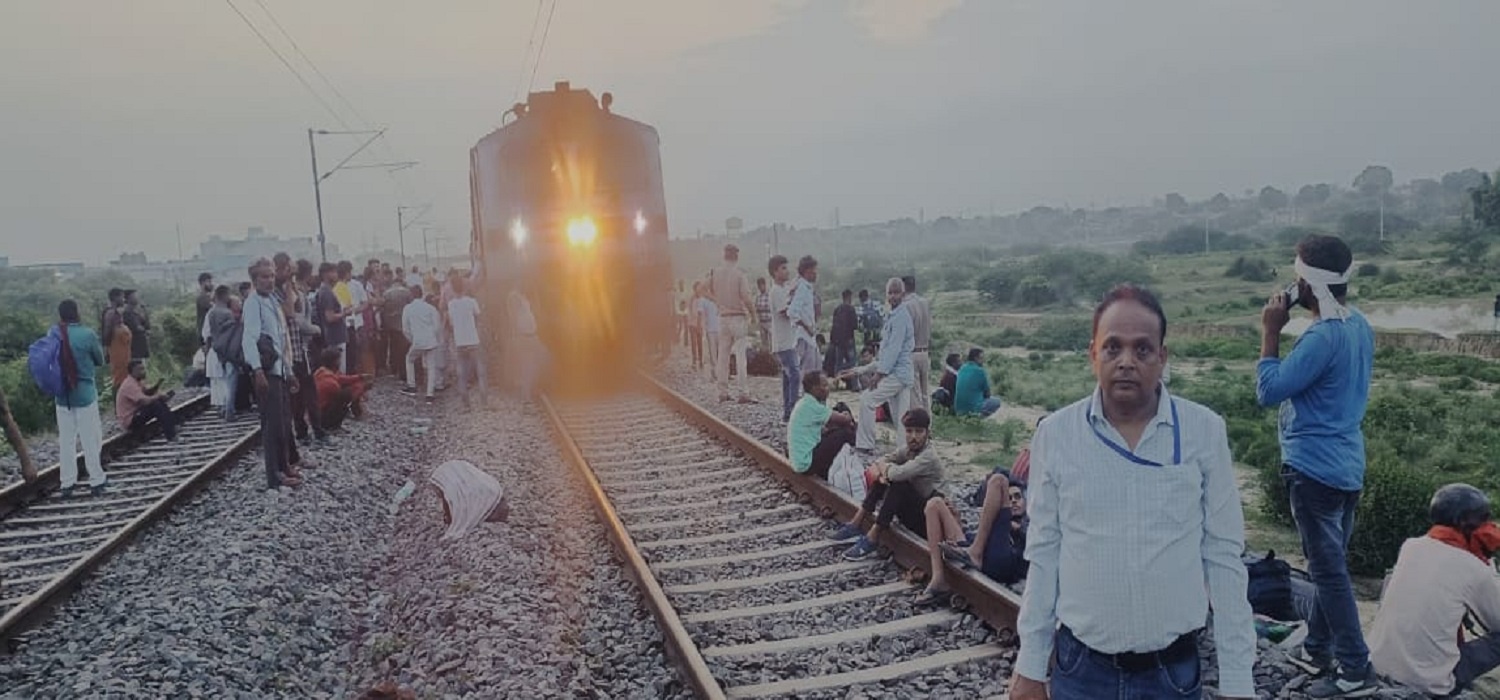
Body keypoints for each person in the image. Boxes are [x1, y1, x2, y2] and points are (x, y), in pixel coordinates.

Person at [1009, 284, 1255, 700]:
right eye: (1113, 348)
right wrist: (1031, 665)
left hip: (1172, 675)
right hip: (1081, 671)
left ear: (1162, 357)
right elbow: (1045, 552)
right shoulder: (1056, 435)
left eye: (1142, 350)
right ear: (1093, 355)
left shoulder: (1203, 431)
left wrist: (1238, 682)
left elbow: (1224, 558)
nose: (1126, 361)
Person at [1256, 234, 1378, 697]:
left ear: (1308, 286)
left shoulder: (1321, 337)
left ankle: (1354, 669)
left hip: (1314, 470)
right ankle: (1317, 649)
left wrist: (1271, 331)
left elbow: (1268, 391)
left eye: (1298, 277)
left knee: (1328, 571)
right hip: (1348, 465)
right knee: (1333, 566)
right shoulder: (1358, 325)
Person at [1369, 484, 1500, 697]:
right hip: (1430, 683)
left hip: (1377, 666)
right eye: (1483, 519)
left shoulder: (1410, 546)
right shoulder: (1473, 567)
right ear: (1463, 522)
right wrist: (1486, 562)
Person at [827, 408, 942, 561]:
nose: (913, 437)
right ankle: (857, 523)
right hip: (916, 512)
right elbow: (882, 460)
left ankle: (873, 537)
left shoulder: (928, 457)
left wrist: (885, 471)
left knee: (898, 483)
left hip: (929, 522)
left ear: (927, 433)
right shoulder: (908, 450)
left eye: (919, 431)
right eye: (909, 431)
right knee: (885, 478)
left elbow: (897, 474)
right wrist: (884, 473)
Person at [921, 471, 1029, 605]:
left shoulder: (1030, 521)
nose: (1013, 501)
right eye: (1009, 497)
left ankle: (974, 554)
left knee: (999, 480)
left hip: (1003, 561)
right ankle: (938, 578)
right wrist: (959, 524)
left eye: (1017, 497)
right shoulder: (997, 520)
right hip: (984, 551)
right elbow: (980, 534)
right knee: (934, 504)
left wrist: (1015, 527)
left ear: (1025, 501)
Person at [243, 258, 303, 488]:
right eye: (264, 277)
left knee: (283, 421)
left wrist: (289, 371)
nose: (269, 280)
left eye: (270, 276)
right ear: (255, 279)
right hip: (266, 371)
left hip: (279, 369)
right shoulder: (253, 303)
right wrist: (257, 370)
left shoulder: (273, 302)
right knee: (272, 424)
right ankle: (274, 475)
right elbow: (250, 338)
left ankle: (285, 464)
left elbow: (280, 341)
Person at [840, 278, 914, 454]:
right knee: (900, 417)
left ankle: (865, 445)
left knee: (867, 399)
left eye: (897, 293)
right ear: (886, 294)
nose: (893, 296)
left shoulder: (901, 317)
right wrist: (859, 370)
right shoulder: (893, 315)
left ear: (903, 295)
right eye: (890, 292)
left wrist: (879, 375)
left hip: (897, 373)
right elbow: (885, 353)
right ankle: (904, 450)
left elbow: (893, 351)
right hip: (899, 373)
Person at [52, 300, 108, 496]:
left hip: (61, 397)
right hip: (84, 394)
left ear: (60, 316)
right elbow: (100, 360)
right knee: (90, 438)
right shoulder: (87, 334)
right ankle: (96, 480)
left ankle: (67, 483)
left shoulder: (53, 334)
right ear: (76, 313)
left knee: (66, 441)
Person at [786, 371, 856, 479]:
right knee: (845, 433)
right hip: (806, 464)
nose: (828, 388)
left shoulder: (805, 402)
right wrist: (847, 419)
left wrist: (843, 419)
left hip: (802, 458)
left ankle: (843, 458)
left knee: (840, 407)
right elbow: (844, 419)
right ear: (814, 389)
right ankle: (852, 454)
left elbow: (828, 424)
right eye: (824, 385)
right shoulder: (811, 405)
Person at [710, 243, 756, 403]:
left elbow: (702, 289)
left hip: (722, 318)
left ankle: (722, 392)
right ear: (736, 256)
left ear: (724, 255)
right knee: (740, 355)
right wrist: (753, 315)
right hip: (738, 317)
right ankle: (743, 392)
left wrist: (716, 301)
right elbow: (746, 297)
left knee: (722, 356)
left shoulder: (715, 274)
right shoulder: (739, 274)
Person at [447, 276, 488, 409]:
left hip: (460, 342)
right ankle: (484, 403)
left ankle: (466, 405)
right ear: (464, 287)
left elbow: (452, 324)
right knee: (481, 371)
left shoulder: (451, 304)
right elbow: (478, 317)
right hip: (473, 340)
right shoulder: (471, 301)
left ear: (453, 289)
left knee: (462, 374)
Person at [115, 359, 178, 443]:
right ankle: (171, 435)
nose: (143, 371)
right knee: (155, 405)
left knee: (158, 403)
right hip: (130, 420)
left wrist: (157, 386)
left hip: (136, 414)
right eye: (140, 369)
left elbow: (147, 392)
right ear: (133, 371)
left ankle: (172, 427)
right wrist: (158, 396)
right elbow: (145, 401)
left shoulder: (137, 381)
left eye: (143, 369)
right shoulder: (129, 384)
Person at [767, 256, 799, 421]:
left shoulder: (782, 289)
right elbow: (784, 311)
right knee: (794, 375)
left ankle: (788, 411)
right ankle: (792, 410)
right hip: (784, 341)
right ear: (775, 272)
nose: (787, 271)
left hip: (787, 340)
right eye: (783, 268)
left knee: (788, 377)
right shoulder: (776, 291)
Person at [204, 287, 242, 421]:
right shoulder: (227, 314)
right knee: (231, 380)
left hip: (217, 348)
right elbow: (233, 334)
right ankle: (229, 410)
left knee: (225, 379)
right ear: (224, 295)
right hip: (229, 349)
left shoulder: (212, 313)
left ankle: (225, 408)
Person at [402, 285, 441, 403]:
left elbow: (405, 328)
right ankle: (430, 394)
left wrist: (412, 339)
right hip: (430, 340)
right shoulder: (430, 308)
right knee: (431, 366)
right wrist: (433, 336)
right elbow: (437, 326)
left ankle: (412, 386)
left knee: (409, 359)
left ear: (411, 295)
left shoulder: (408, 308)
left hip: (417, 340)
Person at [313, 347, 368, 431]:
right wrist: (362, 388)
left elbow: (343, 378)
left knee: (350, 387)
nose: (340, 362)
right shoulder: (330, 381)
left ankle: (356, 413)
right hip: (322, 416)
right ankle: (334, 425)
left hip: (317, 414)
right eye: (339, 360)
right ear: (334, 361)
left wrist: (360, 377)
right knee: (346, 394)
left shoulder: (322, 371)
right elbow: (346, 395)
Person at [902, 276, 932, 412]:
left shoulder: (905, 305)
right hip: (925, 351)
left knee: (915, 396)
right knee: (925, 394)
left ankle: (919, 425)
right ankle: (928, 426)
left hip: (911, 353)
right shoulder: (924, 302)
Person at [788, 256, 820, 383]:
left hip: (808, 336)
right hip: (804, 336)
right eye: (814, 271)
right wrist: (807, 327)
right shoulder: (802, 288)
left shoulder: (806, 287)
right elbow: (792, 312)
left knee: (814, 370)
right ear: (807, 271)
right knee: (808, 374)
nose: (816, 274)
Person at [316, 262, 351, 373]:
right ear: (326, 274)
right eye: (334, 272)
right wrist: (344, 314)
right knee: (338, 371)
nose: (336, 275)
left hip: (334, 336)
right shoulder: (326, 292)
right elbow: (329, 317)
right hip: (335, 337)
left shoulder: (326, 291)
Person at [954, 348, 1001, 417]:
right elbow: (987, 393)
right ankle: (978, 418)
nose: (983, 361)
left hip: (958, 408)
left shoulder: (962, 368)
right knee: (996, 402)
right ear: (976, 358)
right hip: (973, 408)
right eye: (981, 358)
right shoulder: (980, 371)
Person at [382, 279, 413, 383]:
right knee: (404, 349)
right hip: (404, 324)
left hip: (391, 325)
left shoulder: (386, 293)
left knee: (393, 348)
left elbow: (383, 308)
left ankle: (394, 369)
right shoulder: (407, 292)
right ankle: (405, 372)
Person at [102, 288, 133, 391]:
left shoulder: (117, 313)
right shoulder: (110, 313)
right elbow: (106, 333)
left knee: (125, 375)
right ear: (115, 298)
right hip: (116, 350)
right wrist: (106, 350)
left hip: (123, 350)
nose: (124, 299)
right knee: (119, 377)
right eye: (122, 297)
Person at [828, 289, 858, 378]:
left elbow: (834, 325)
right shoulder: (851, 309)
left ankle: (837, 382)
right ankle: (854, 384)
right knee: (852, 363)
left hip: (838, 341)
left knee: (838, 363)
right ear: (849, 297)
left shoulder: (837, 309)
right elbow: (855, 325)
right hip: (849, 339)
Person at [696, 281, 721, 381]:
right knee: (712, 352)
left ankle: (721, 372)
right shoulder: (703, 300)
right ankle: (714, 372)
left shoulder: (717, 299)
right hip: (710, 329)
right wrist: (699, 326)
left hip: (720, 328)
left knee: (720, 351)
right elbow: (700, 314)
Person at [122, 289, 151, 361]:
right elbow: (137, 328)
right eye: (135, 296)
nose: (137, 298)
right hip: (134, 351)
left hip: (141, 350)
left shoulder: (137, 313)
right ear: (128, 299)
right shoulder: (127, 313)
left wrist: (145, 310)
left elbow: (147, 326)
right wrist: (144, 330)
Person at [685, 281, 705, 370]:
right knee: (694, 343)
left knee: (700, 343)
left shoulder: (702, 299)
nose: (699, 290)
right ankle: (694, 361)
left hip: (699, 324)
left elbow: (703, 312)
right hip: (693, 324)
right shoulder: (691, 298)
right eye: (698, 288)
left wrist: (701, 323)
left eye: (700, 288)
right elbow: (690, 311)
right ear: (695, 289)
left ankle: (700, 360)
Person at [754, 277, 772, 350]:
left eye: (761, 285)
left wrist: (761, 309)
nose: (760, 287)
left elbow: (770, 308)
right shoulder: (758, 297)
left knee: (772, 341)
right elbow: (756, 307)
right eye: (759, 286)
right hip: (762, 322)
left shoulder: (769, 295)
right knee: (764, 343)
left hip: (769, 322)